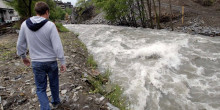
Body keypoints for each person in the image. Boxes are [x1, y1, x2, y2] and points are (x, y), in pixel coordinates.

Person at [16, 1, 66, 110]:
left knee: (40, 88)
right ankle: (56, 102)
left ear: (36, 11)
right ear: (47, 12)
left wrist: (23, 56)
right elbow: (57, 46)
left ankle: (45, 108)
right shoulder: (50, 25)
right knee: (54, 84)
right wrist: (62, 61)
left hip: (37, 62)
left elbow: (20, 43)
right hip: (51, 62)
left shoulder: (25, 24)